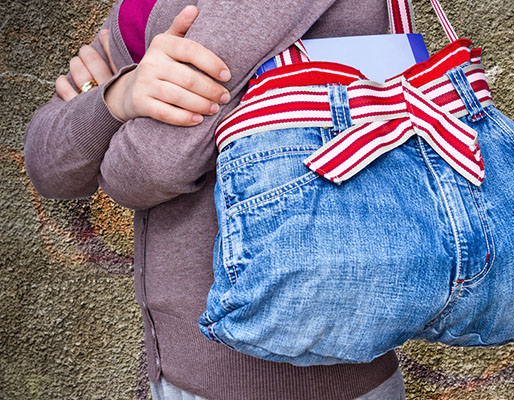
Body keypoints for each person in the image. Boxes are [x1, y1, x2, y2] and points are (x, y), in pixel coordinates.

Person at [24, 1, 405, 399]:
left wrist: (104, 114)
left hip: (292, 382)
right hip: (186, 370)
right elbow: (47, 165)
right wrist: (119, 96)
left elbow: (146, 170)